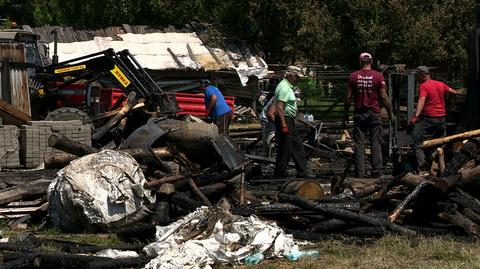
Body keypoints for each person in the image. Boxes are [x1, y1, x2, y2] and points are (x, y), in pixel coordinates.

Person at [344, 52, 394, 178]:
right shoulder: (378, 76)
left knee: (359, 143)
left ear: (360, 62)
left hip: (359, 113)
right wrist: (390, 114)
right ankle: (377, 172)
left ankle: (360, 173)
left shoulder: (353, 76)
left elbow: (348, 97)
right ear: (371, 62)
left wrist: (345, 113)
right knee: (375, 142)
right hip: (374, 113)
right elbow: (384, 96)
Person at [410, 66, 463, 169]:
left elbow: (421, 101)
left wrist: (415, 117)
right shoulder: (440, 84)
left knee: (417, 144)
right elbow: (455, 92)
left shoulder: (424, 86)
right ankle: (439, 167)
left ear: (422, 75)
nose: (416, 78)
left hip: (430, 119)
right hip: (442, 119)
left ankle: (423, 168)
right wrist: (450, 103)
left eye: (417, 76)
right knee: (438, 143)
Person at [273, 66, 314, 178]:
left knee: (297, 146)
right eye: (297, 77)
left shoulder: (287, 86)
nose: (298, 79)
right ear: (290, 75)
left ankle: (302, 171)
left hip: (288, 119)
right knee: (285, 148)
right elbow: (280, 107)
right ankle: (280, 174)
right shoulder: (284, 88)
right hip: (285, 119)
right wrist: (283, 124)